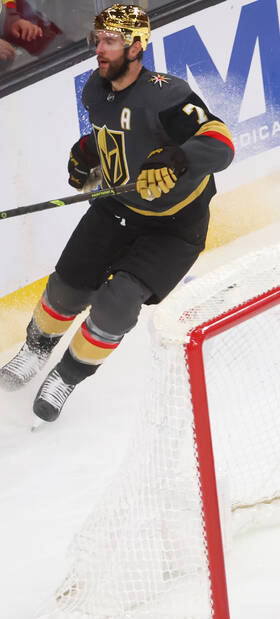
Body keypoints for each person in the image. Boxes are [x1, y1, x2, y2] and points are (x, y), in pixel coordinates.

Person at [0, 4, 234, 422]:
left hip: (175, 227)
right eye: (98, 40)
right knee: (67, 289)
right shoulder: (95, 88)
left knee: (117, 304)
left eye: (110, 41)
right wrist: (86, 153)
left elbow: (219, 141)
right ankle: (34, 352)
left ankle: (67, 376)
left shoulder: (168, 94)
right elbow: (113, 133)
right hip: (117, 205)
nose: (100, 50)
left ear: (136, 46)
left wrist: (177, 157)